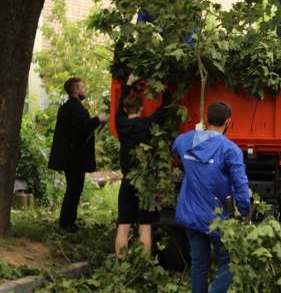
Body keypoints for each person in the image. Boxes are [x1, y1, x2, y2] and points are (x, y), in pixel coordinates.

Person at [171, 102, 250, 293]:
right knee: (230, 262)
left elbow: (174, 148)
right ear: (228, 121)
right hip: (218, 218)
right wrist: (245, 212)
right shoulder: (230, 149)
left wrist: (196, 134)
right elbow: (240, 185)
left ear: (206, 119)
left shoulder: (186, 140)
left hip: (191, 214)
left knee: (199, 264)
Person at [114, 74, 171, 256]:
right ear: (141, 108)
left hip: (127, 180)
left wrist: (128, 83)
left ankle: (121, 266)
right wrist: (165, 88)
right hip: (145, 182)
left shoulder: (120, 124)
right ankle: (142, 267)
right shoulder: (147, 125)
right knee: (145, 227)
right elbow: (164, 109)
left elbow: (119, 107)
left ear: (125, 109)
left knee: (123, 226)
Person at [49, 77, 107, 231]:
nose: (84, 89)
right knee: (74, 189)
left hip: (72, 157)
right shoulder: (73, 107)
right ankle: (66, 224)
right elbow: (81, 129)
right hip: (73, 158)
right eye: (82, 86)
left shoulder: (71, 107)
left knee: (74, 189)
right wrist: (97, 119)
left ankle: (69, 222)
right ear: (75, 90)